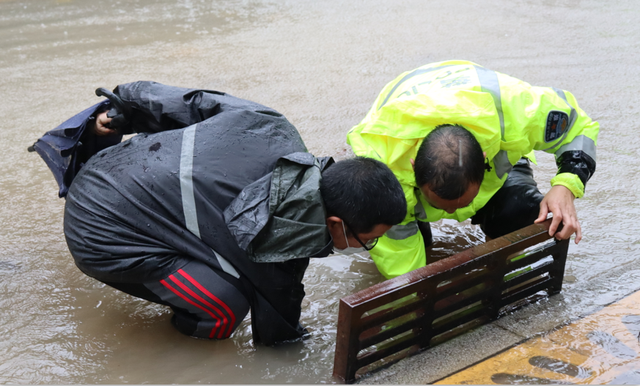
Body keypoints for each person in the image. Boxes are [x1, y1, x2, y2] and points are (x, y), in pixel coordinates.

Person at [31, 81, 407, 345]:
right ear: (336, 224)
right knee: (225, 307)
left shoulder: (274, 127)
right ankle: (171, 345)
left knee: (215, 251)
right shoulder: (280, 239)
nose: (367, 247)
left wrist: (122, 110)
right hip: (98, 228)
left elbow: (191, 100)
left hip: (113, 166)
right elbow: (278, 320)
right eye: (368, 240)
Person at [347, 60, 599, 279]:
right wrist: (413, 292)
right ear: (413, 168)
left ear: (484, 159)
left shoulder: (516, 110)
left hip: (482, 115)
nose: (452, 213)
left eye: (459, 204)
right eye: (442, 205)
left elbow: (578, 127)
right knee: (405, 237)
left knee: (519, 208)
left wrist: (566, 185)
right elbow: (400, 261)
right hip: (400, 141)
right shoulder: (382, 166)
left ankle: (499, 251)